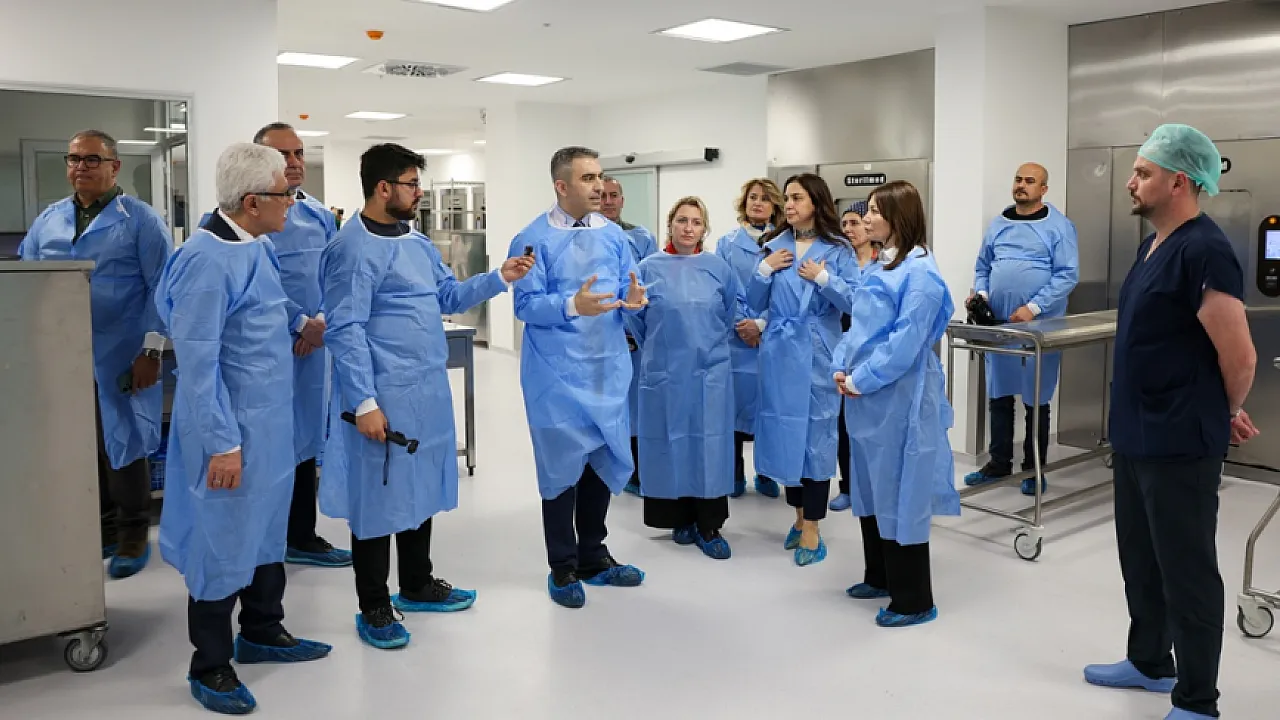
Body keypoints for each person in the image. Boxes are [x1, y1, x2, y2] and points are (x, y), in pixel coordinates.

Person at [320, 144, 534, 649]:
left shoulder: (415, 242)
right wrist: (365, 402)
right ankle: (374, 604)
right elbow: (346, 329)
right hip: (382, 393)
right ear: (384, 188)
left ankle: (416, 582)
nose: (419, 193)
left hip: (425, 389)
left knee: (417, 488)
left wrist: (499, 278)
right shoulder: (351, 249)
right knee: (377, 497)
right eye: (412, 184)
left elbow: (446, 296)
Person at [1083, 124, 1259, 720]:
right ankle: (1150, 662)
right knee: (1141, 559)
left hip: (1180, 439)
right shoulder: (1154, 245)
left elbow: (1240, 355)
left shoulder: (1205, 250)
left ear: (1179, 182)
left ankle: (1198, 699)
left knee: (1186, 570)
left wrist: (1224, 410)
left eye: (1143, 173)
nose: (1130, 183)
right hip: (1136, 433)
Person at [155, 143, 331, 715]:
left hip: (268, 424)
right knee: (222, 539)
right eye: (285, 194)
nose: (292, 202)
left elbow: (269, 305)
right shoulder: (206, 261)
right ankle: (210, 663)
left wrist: (302, 322)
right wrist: (222, 443)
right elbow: (198, 362)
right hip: (229, 431)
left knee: (264, 530)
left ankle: (262, 628)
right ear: (252, 201)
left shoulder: (254, 245)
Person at [20, 129, 171, 580]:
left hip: (122, 350)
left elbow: (163, 288)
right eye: (73, 159)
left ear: (114, 166)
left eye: (91, 159)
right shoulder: (50, 219)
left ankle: (132, 534)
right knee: (80, 441)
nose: (80, 167)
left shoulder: (141, 220)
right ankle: (102, 528)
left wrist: (151, 351)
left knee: (124, 441)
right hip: (63, 352)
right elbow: (27, 278)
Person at [508, 146, 649, 608]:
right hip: (556, 371)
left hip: (606, 366)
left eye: (600, 177)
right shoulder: (532, 240)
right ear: (561, 185)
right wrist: (571, 305)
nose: (599, 187)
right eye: (588, 178)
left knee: (601, 459)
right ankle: (563, 566)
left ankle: (593, 555)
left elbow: (627, 285)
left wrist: (634, 300)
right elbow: (526, 306)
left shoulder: (613, 235)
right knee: (561, 467)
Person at [832, 180, 961, 628]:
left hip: (899, 398)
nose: (865, 218)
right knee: (870, 487)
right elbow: (857, 328)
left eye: (873, 210)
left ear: (897, 217)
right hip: (866, 399)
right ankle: (880, 575)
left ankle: (913, 600)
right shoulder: (881, 263)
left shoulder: (921, 273)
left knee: (900, 492)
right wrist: (840, 367)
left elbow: (905, 344)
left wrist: (861, 378)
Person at [253, 122, 351, 568]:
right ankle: (264, 536)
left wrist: (321, 322)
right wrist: (298, 323)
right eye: (282, 155)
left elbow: (334, 276)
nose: (293, 162)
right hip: (265, 348)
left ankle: (301, 535)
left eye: (298, 153)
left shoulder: (318, 215)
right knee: (267, 440)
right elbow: (257, 281)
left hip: (314, 348)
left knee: (307, 439)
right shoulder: (247, 214)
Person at [748, 173, 859, 566]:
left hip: (817, 350)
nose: (789, 204)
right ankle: (798, 516)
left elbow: (855, 301)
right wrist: (764, 271)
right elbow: (753, 302)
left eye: (797, 197)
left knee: (817, 436)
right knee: (786, 433)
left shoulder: (839, 249)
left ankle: (813, 525)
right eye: (787, 198)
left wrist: (824, 279)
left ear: (816, 201)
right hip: (780, 352)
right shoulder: (773, 246)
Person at [626, 197, 740, 560]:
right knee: (669, 440)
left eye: (696, 221)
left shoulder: (718, 269)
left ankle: (709, 524)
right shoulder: (648, 268)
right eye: (681, 220)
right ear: (670, 224)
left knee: (708, 444)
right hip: (665, 372)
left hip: (710, 373)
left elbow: (730, 313)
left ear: (704, 228)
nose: (688, 228)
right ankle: (678, 518)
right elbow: (635, 320)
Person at [964, 163, 1079, 496]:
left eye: (1030, 181)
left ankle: (1034, 469)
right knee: (998, 395)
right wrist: (982, 295)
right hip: (1000, 326)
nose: (1022, 185)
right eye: (1018, 179)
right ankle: (999, 463)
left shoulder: (1058, 227)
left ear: (1043, 189)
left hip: (1039, 327)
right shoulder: (999, 224)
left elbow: (1067, 275)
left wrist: (1034, 307)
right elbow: (983, 266)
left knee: (1036, 398)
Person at [715, 177, 785, 500]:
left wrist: (761, 323)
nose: (757, 203)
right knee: (733, 409)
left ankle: (766, 472)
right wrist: (743, 324)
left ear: (775, 206)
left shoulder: (784, 244)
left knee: (769, 408)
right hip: (736, 339)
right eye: (753, 197)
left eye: (765, 198)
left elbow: (786, 294)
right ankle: (734, 473)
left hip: (772, 337)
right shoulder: (727, 244)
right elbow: (723, 291)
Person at [601, 175, 659, 496]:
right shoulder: (585, 238)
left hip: (634, 336)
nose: (608, 201)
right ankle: (605, 468)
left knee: (635, 405)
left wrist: (634, 330)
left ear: (622, 200)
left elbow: (649, 285)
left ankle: (636, 470)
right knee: (604, 405)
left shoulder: (641, 238)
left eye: (614, 195)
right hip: (598, 334)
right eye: (603, 195)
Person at [830, 202, 878, 513]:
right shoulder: (837, 262)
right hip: (842, 348)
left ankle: (872, 487)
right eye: (844, 223)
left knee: (872, 424)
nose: (848, 229)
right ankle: (847, 486)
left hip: (872, 353)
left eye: (855, 223)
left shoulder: (883, 264)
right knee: (843, 422)